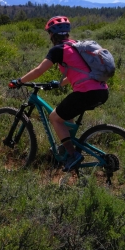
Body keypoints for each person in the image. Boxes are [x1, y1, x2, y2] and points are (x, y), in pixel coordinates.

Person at [10, 16, 109, 172]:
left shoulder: (58, 50)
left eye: (49, 33)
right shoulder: (77, 46)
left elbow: (39, 70)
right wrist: (58, 83)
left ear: (52, 34)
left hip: (86, 93)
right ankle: (65, 148)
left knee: (55, 118)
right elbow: (79, 72)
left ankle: (72, 155)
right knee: (66, 116)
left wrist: (19, 81)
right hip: (102, 91)